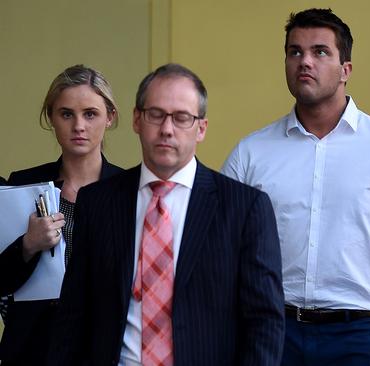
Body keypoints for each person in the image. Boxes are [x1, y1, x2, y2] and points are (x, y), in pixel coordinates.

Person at [222, 8, 370, 366]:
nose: (304, 61)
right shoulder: (251, 153)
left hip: (360, 338)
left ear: (346, 70)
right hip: (274, 334)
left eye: (320, 52)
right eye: (295, 52)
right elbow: (218, 250)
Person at [47, 63, 285, 365]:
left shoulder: (244, 208)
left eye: (182, 118)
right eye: (155, 115)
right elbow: (74, 315)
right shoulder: (98, 203)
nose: (167, 129)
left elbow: (264, 323)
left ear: (201, 128)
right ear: (136, 120)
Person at [0, 65, 123, 365]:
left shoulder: (128, 191)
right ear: (51, 118)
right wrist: (27, 245)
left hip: (106, 349)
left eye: (90, 114)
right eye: (66, 114)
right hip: (33, 350)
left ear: (109, 117)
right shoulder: (21, 185)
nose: (79, 125)